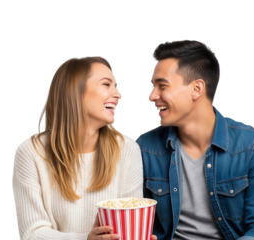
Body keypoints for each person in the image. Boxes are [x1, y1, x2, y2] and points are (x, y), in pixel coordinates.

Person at [136, 40, 254, 240]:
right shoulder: (144, 148)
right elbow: (133, 221)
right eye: (152, 86)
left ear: (197, 89)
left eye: (162, 86)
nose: (151, 96)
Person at [12, 56, 157, 240]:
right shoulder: (31, 152)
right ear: (75, 90)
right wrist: (86, 239)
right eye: (106, 84)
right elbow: (31, 233)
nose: (118, 95)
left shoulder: (127, 148)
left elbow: (126, 225)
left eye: (117, 87)